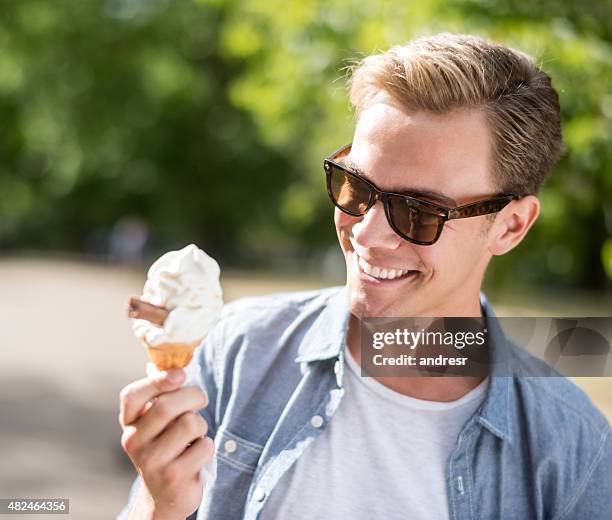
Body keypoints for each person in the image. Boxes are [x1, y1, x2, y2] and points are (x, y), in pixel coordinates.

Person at [118, 33, 611, 520]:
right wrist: (158, 508)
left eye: (420, 211)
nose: (367, 234)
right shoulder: (241, 350)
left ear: (510, 225)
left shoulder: (575, 451)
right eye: (356, 186)